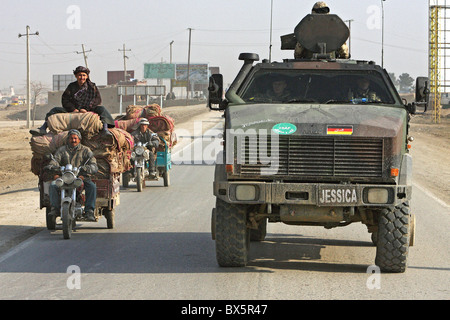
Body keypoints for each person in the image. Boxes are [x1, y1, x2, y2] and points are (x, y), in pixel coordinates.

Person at [30, 66, 115, 136]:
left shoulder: (92, 87)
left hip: (89, 109)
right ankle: (43, 128)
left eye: (84, 75)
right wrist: (74, 109)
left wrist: (87, 109)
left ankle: (105, 129)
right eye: (80, 75)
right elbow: (65, 99)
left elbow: (97, 99)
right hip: (73, 109)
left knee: (102, 109)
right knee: (54, 110)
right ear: (76, 76)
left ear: (87, 76)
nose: (82, 77)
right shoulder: (71, 86)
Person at [46, 129, 98, 221]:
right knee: (53, 185)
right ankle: (55, 209)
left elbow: (93, 165)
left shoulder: (86, 150)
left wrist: (85, 169)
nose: (73, 140)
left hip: (80, 177)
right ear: (67, 139)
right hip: (65, 177)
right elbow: (54, 161)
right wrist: (52, 168)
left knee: (92, 186)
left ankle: (89, 211)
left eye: (75, 138)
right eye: (71, 138)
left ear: (79, 139)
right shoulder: (62, 150)